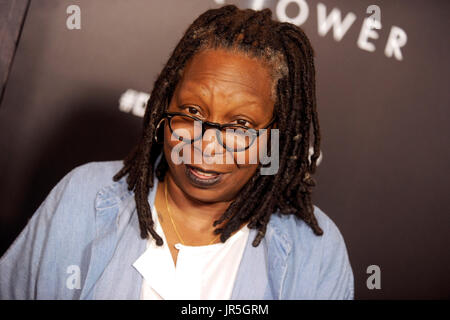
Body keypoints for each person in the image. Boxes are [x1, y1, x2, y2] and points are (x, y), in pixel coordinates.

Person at [0, 5, 354, 299]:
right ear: (163, 106)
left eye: (241, 126)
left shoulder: (315, 252)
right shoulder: (85, 197)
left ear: (273, 140)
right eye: (193, 112)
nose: (206, 143)